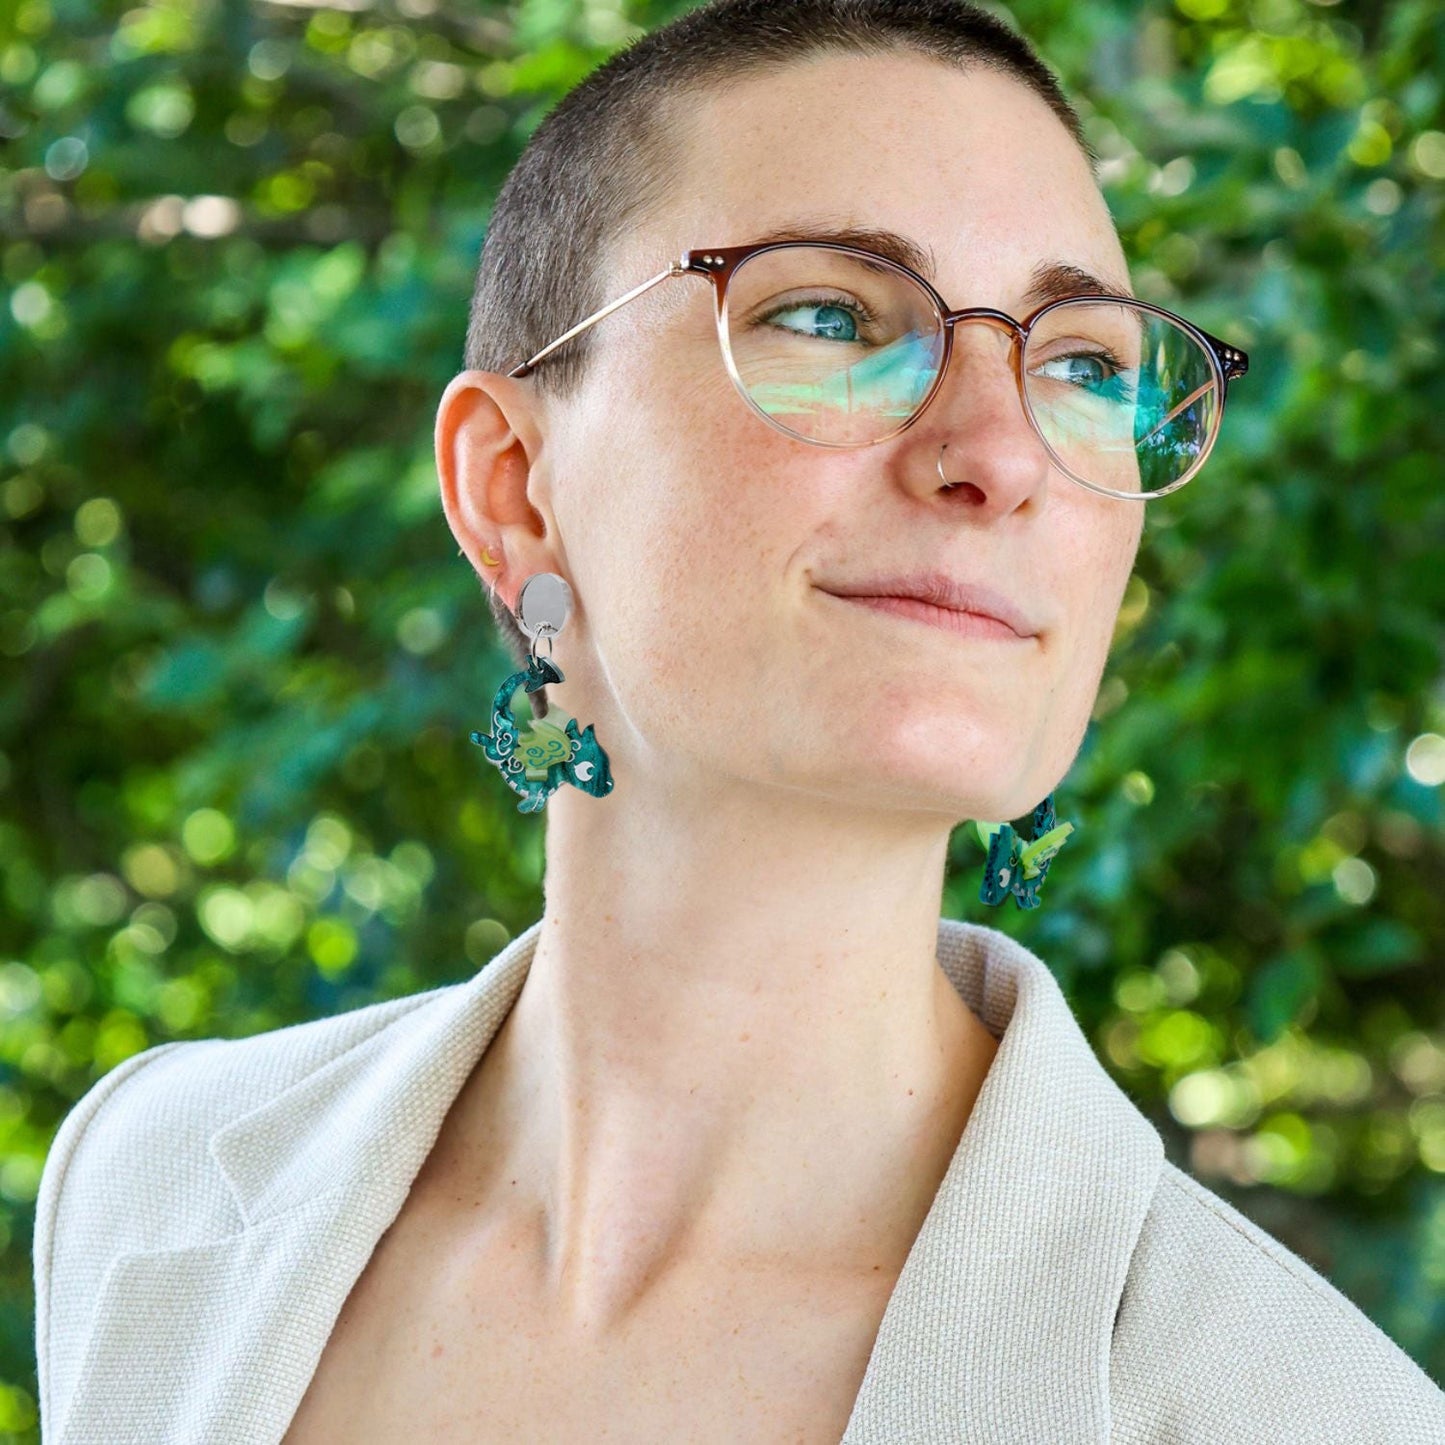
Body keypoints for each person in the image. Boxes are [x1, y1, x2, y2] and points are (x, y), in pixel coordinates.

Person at [31, 2, 1445, 1441]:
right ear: (513, 487)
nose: (999, 452)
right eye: (831, 317)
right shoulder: (145, 1182)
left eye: (1083, 365)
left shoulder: (1306, 1417)